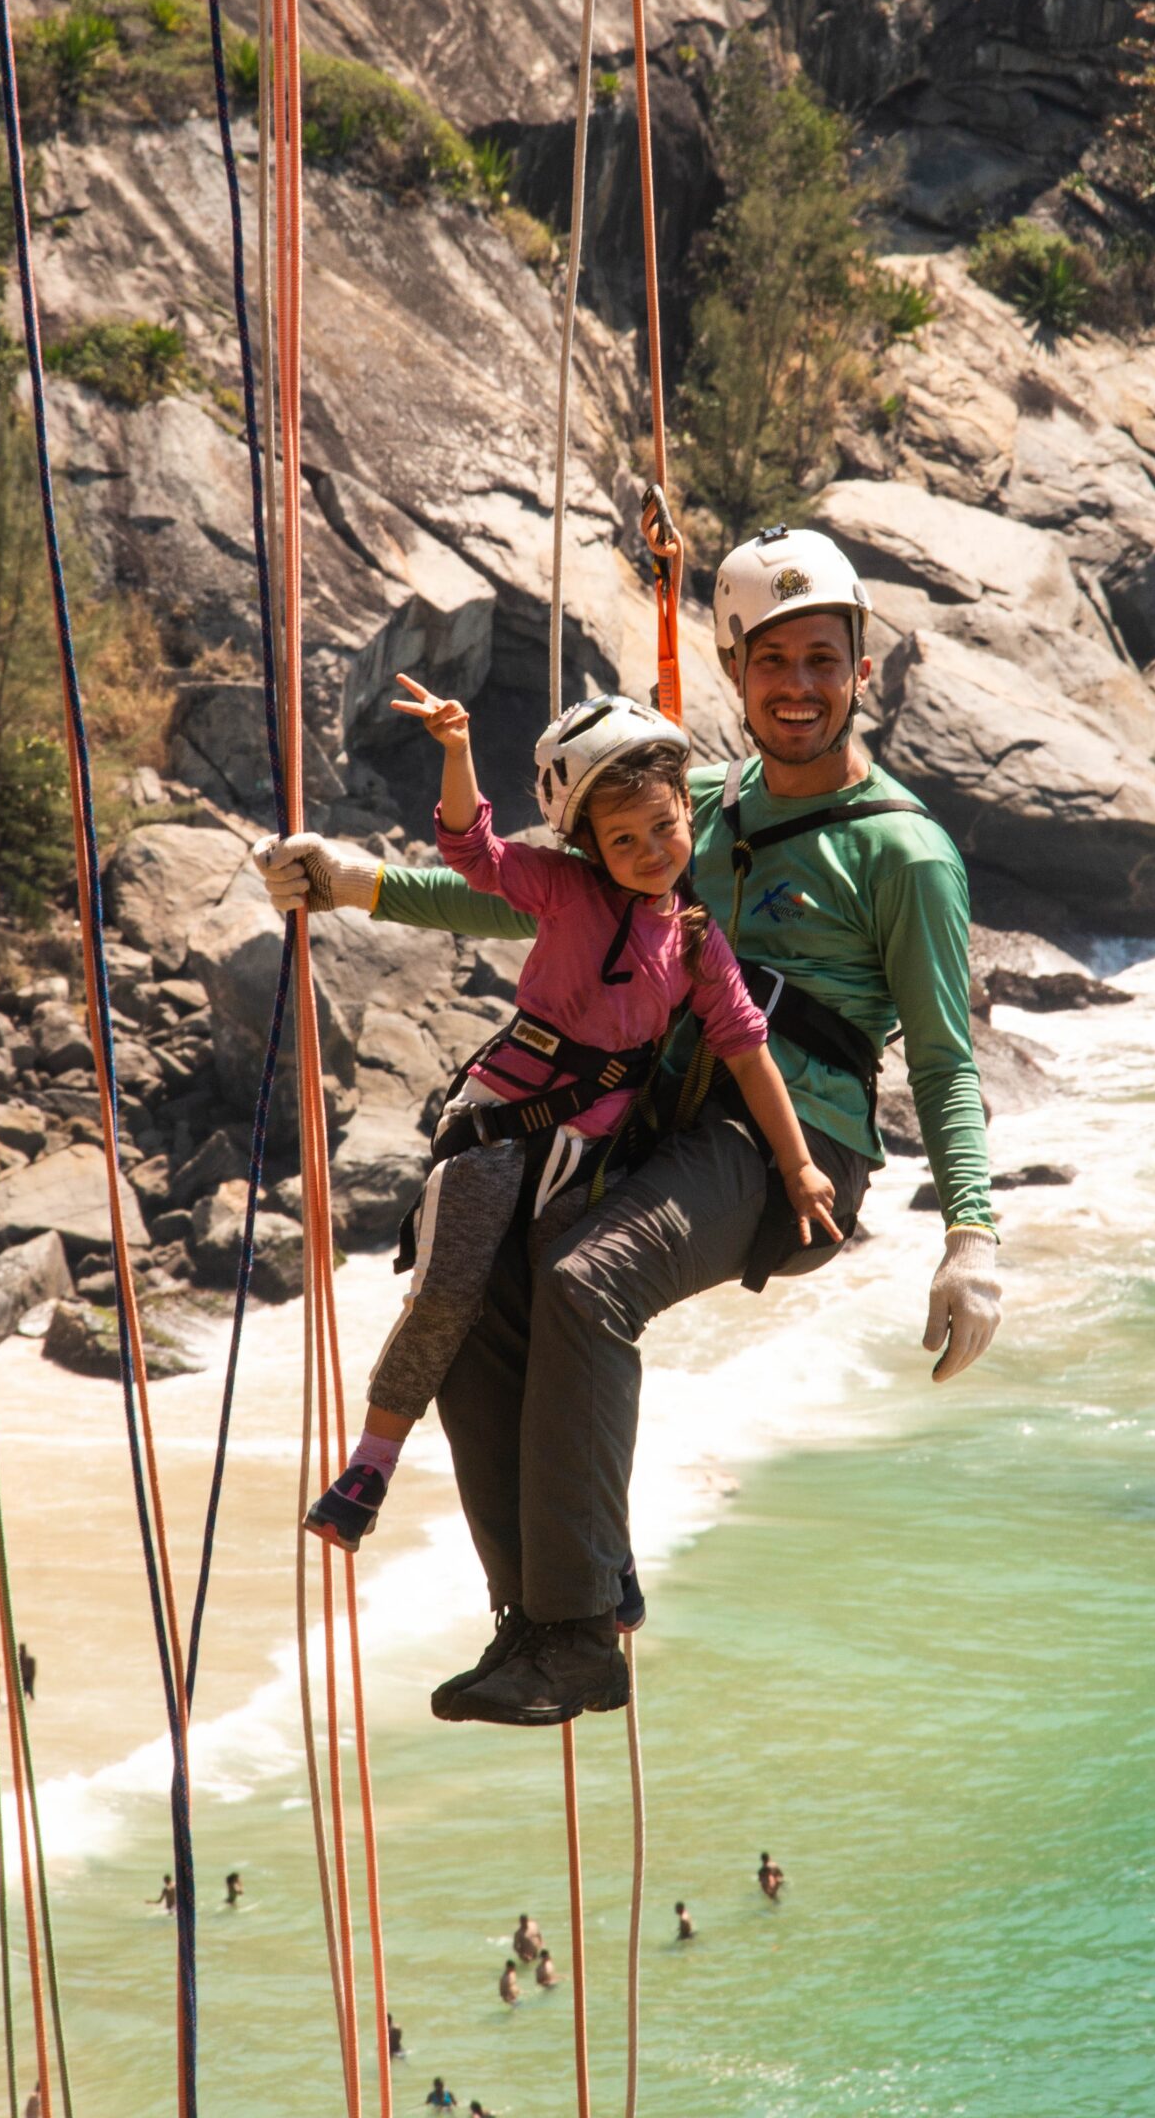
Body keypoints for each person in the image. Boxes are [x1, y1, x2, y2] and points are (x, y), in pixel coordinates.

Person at [256, 521, 1001, 1725]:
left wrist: (971, 1232)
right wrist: (354, 881)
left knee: (588, 1276)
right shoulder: (685, 803)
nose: (800, 686)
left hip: (783, 1139)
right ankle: (543, 1617)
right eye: (774, 662)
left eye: (824, 661)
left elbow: (945, 1056)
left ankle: (580, 1625)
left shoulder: (902, 852)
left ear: (862, 670)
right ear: (737, 672)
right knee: (488, 1279)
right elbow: (538, 904)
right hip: (652, 1118)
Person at [294, 672, 837, 1601]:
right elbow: (470, 851)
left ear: (689, 817)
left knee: (567, 1341)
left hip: (584, 1160)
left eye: (665, 827)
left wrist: (800, 1170)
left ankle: (603, 1554)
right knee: (448, 1296)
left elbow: (748, 1054)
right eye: (622, 840)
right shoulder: (563, 888)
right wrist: (458, 749)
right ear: (588, 846)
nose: (650, 850)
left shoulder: (698, 943)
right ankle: (370, 1467)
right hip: (499, 1126)